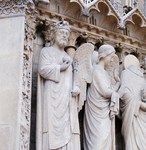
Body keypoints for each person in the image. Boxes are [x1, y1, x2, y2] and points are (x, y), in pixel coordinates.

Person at [36, 20, 80, 150]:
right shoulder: (46, 51)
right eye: (62, 33)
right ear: (54, 35)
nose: (65, 36)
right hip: (52, 98)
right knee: (51, 128)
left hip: (67, 101)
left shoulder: (67, 57)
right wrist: (60, 67)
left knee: (68, 130)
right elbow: (43, 70)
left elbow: (72, 81)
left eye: (67, 34)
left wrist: (76, 89)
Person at [83, 45, 120, 150]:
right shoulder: (96, 70)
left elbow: (110, 90)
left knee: (105, 141)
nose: (112, 59)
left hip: (104, 111)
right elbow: (104, 91)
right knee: (97, 142)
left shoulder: (104, 72)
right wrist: (115, 94)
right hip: (96, 111)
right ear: (104, 55)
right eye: (111, 56)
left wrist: (118, 83)